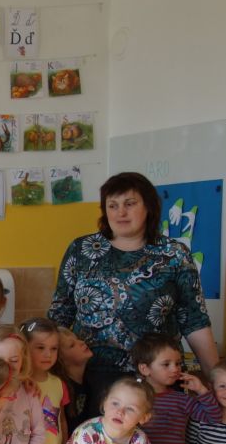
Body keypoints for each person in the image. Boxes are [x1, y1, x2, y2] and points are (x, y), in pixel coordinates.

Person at [49, 171, 217, 417]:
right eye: (113, 205)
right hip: (93, 377)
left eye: (129, 204)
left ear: (148, 207)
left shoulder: (174, 254)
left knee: (160, 441)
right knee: (97, 441)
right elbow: (59, 315)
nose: (121, 212)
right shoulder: (81, 250)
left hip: (158, 379)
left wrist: (216, 380)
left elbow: (194, 320)